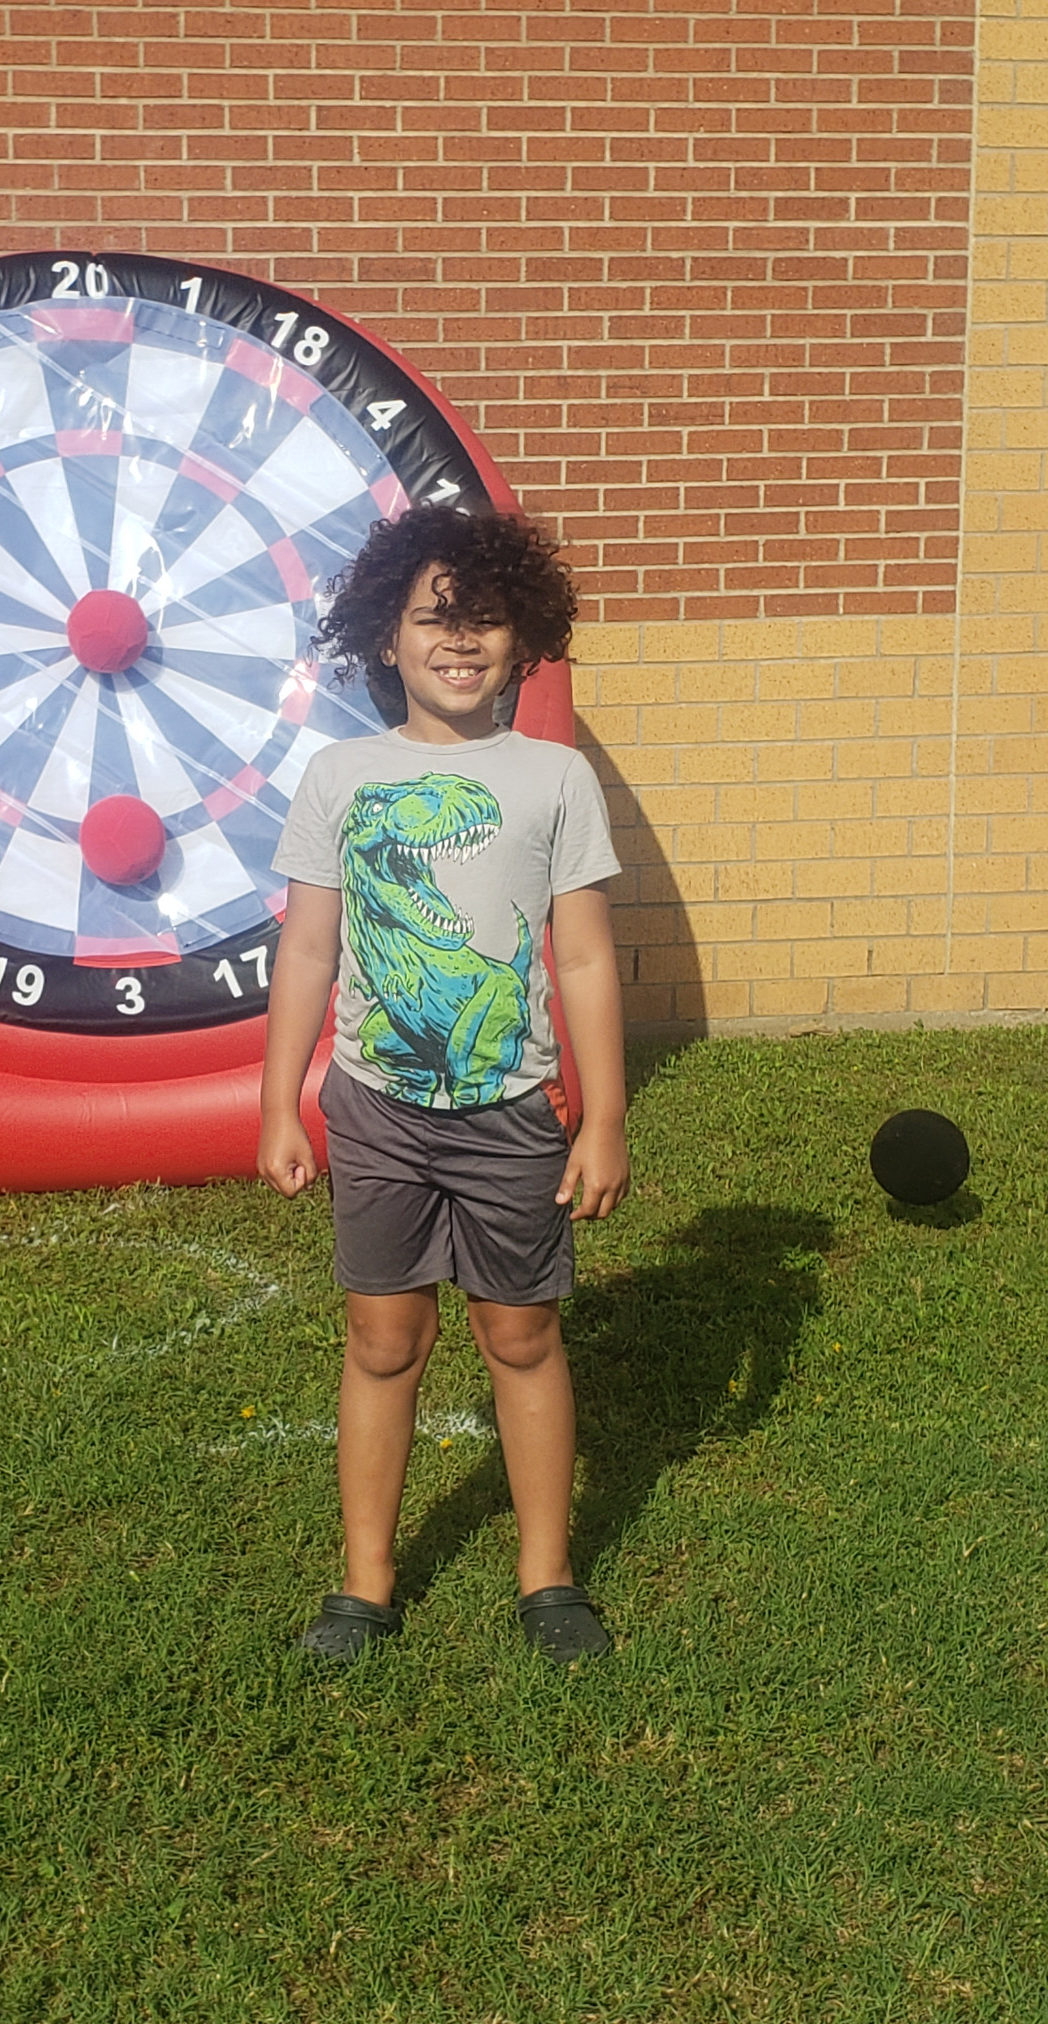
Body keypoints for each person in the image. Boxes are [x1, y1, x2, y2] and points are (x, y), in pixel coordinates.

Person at [256, 504, 630, 1664]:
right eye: (433, 617)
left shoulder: (555, 778)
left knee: (521, 1333)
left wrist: (605, 1116)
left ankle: (548, 1576)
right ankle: (364, 1581)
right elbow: (308, 948)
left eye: (486, 618)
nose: (460, 639)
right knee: (383, 1338)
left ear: (525, 639)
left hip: (513, 1113)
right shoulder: (341, 775)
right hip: (376, 1110)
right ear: (385, 633)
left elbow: (582, 957)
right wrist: (279, 1102)